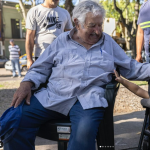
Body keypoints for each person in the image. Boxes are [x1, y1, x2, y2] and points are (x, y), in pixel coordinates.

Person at [1, 1, 150, 150]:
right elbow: (40, 68)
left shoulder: (108, 43)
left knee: (83, 137)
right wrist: (26, 83)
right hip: (55, 95)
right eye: (92, 25)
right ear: (77, 23)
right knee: (16, 122)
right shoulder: (61, 41)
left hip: (88, 99)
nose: (98, 31)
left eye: (100, 25)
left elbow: (131, 68)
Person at [26, 0, 73, 69]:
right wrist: (29, 59)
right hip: (41, 55)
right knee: (42, 79)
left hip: (60, 56)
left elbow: (71, 35)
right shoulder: (34, 11)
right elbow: (30, 36)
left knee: (59, 79)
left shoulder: (64, 13)